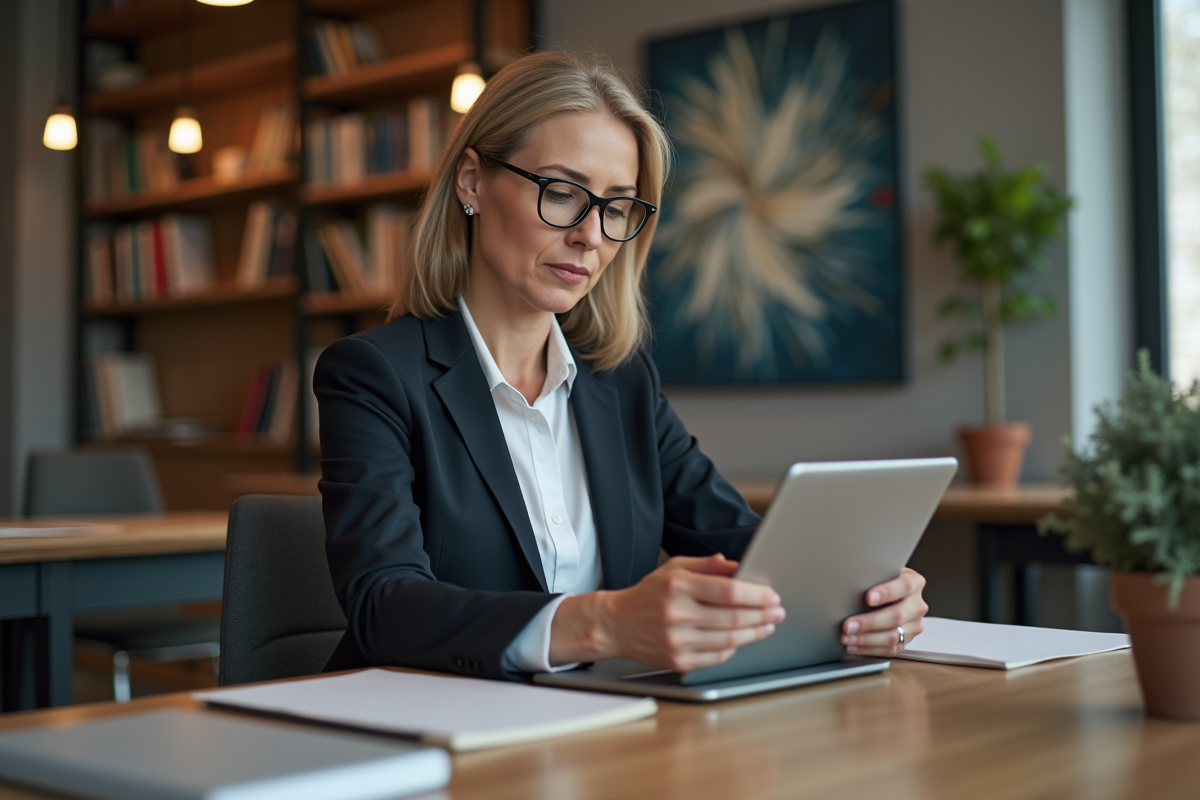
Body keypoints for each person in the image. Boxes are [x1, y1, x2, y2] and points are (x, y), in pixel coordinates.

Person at [315, 50, 928, 680]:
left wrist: (864, 596)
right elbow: (381, 606)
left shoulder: (622, 384)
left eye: (616, 208)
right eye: (561, 192)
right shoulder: (373, 375)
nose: (591, 236)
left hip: (601, 734)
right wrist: (603, 622)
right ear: (471, 181)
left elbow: (750, 550)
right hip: (432, 738)